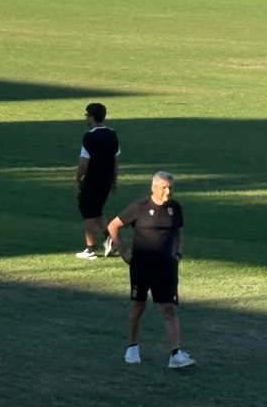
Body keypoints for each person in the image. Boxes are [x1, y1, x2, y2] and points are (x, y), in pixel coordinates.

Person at [106, 171, 195, 368]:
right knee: (139, 306)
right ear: (153, 188)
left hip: (166, 268)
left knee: (169, 308)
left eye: (170, 187)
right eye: (164, 187)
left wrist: (177, 254)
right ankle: (132, 347)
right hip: (141, 267)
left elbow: (178, 231)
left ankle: (176, 353)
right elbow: (113, 226)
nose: (168, 191)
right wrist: (123, 252)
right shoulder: (139, 207)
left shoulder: (175, 208)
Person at [75, 103, 120, 259]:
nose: (86, 117)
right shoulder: (112, 134)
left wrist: (77, 180)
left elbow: (83, 163)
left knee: (88, 214)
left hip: (92, 181)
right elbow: (115, 161)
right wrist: (114, 180)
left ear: (92, 117)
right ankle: (110, 240)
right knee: (97, 212)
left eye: (87, 115)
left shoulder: (89, 137)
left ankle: (90, 249)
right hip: (106, 181)